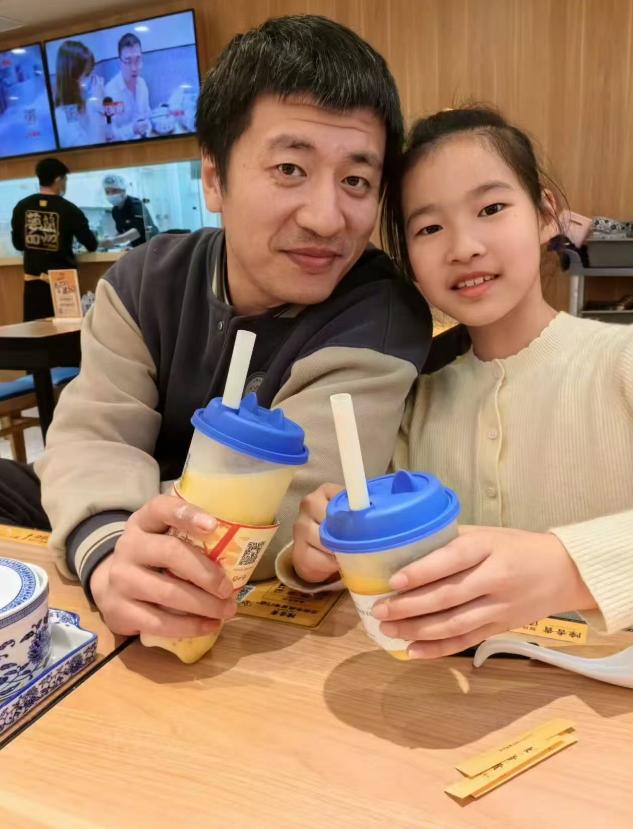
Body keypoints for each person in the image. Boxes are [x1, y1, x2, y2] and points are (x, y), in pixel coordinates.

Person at [0, 16, 432, 641]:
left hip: (231, 588)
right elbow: (95, 433)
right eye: (290, 168)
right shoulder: (146, 280)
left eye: (356, 181)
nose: (326, 217)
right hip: (125, 531)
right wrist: (110, 546)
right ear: (213, 178)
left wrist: (115, 514)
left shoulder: (379, 315)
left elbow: (287, 504)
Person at [286, 106, 633, 654]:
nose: (464, 247)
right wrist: (325, 554)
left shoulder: (621, 361)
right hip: (448, 693)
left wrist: (568, 567)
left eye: (491, 209)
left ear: (546, 213)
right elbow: (388, 566)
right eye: (429, 228)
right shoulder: (414, 404)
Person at [11, 157, 98, 320]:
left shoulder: (22, 206)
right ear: (58, 179)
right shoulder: (70, 209)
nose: (65, 185)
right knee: (66, 329)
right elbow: (91, 244)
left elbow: (18, 244)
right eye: (65, 180)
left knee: (35, 329)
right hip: (63, 285)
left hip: (33, 284)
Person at [53, 40, 106, 148]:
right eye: (86, 74)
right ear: (71, 78)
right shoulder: (61, 117)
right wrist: (98, 105)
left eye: (91, 73)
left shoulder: (85, 105)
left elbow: (109, 133)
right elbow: (93, 152)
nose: (91, 79)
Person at [104, 33, 151, 141]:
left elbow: (147, 116)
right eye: (128, 61)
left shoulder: (142, 84)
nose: (134, 68)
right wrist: (132, 129)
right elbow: (109, 135)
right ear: (119, 62)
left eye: (137, 60)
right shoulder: (109, 92)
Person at [102, 174, 158, 247]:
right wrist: (111, 240)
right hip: (137, 247)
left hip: (152, 245)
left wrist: (114, 241)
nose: (111, 195)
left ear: (123, 190)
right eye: (107, 192)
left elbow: (137, 232)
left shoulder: (135, 205)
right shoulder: (115, 211)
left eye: (114, 191)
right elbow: (122, 232)